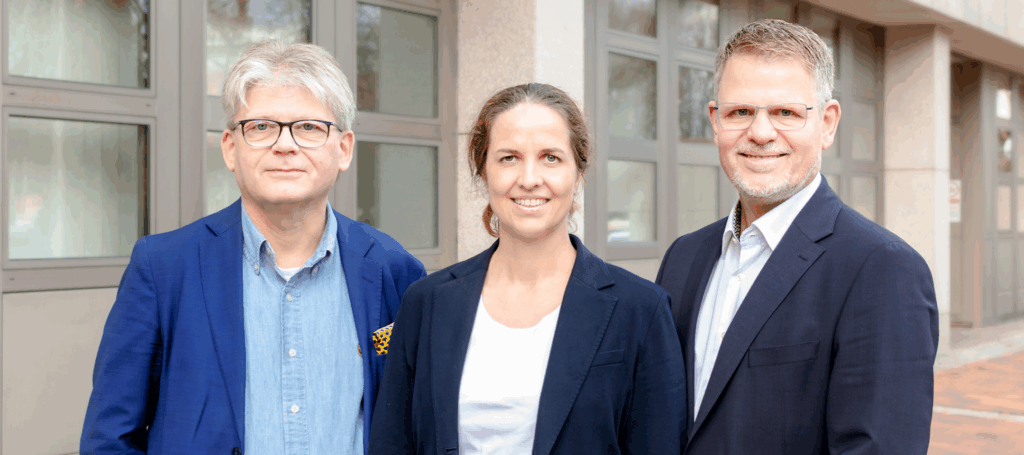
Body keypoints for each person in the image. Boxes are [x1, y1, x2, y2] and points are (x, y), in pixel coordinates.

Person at [80, 41, 425, 455]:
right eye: (261, 126)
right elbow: (111, 438)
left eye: (309, 127)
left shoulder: (394, 270)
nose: (285, 145)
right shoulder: (163, 268)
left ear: (344, 149)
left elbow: (417, 425)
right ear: (230, 147)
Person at [655, 19, 939, 454]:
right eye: (740, 112)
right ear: (715, 121)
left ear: (827, 123)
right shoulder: (684, 257)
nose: (760, 133)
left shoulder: (882, 269)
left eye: (785, 112)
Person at [369, 83, 685, 454]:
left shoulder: (641, 310)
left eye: (551, 157)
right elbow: (392, 443)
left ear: (578, 174)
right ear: (483, 172)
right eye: (509, 158)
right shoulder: (427, 302)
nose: (530, 178)